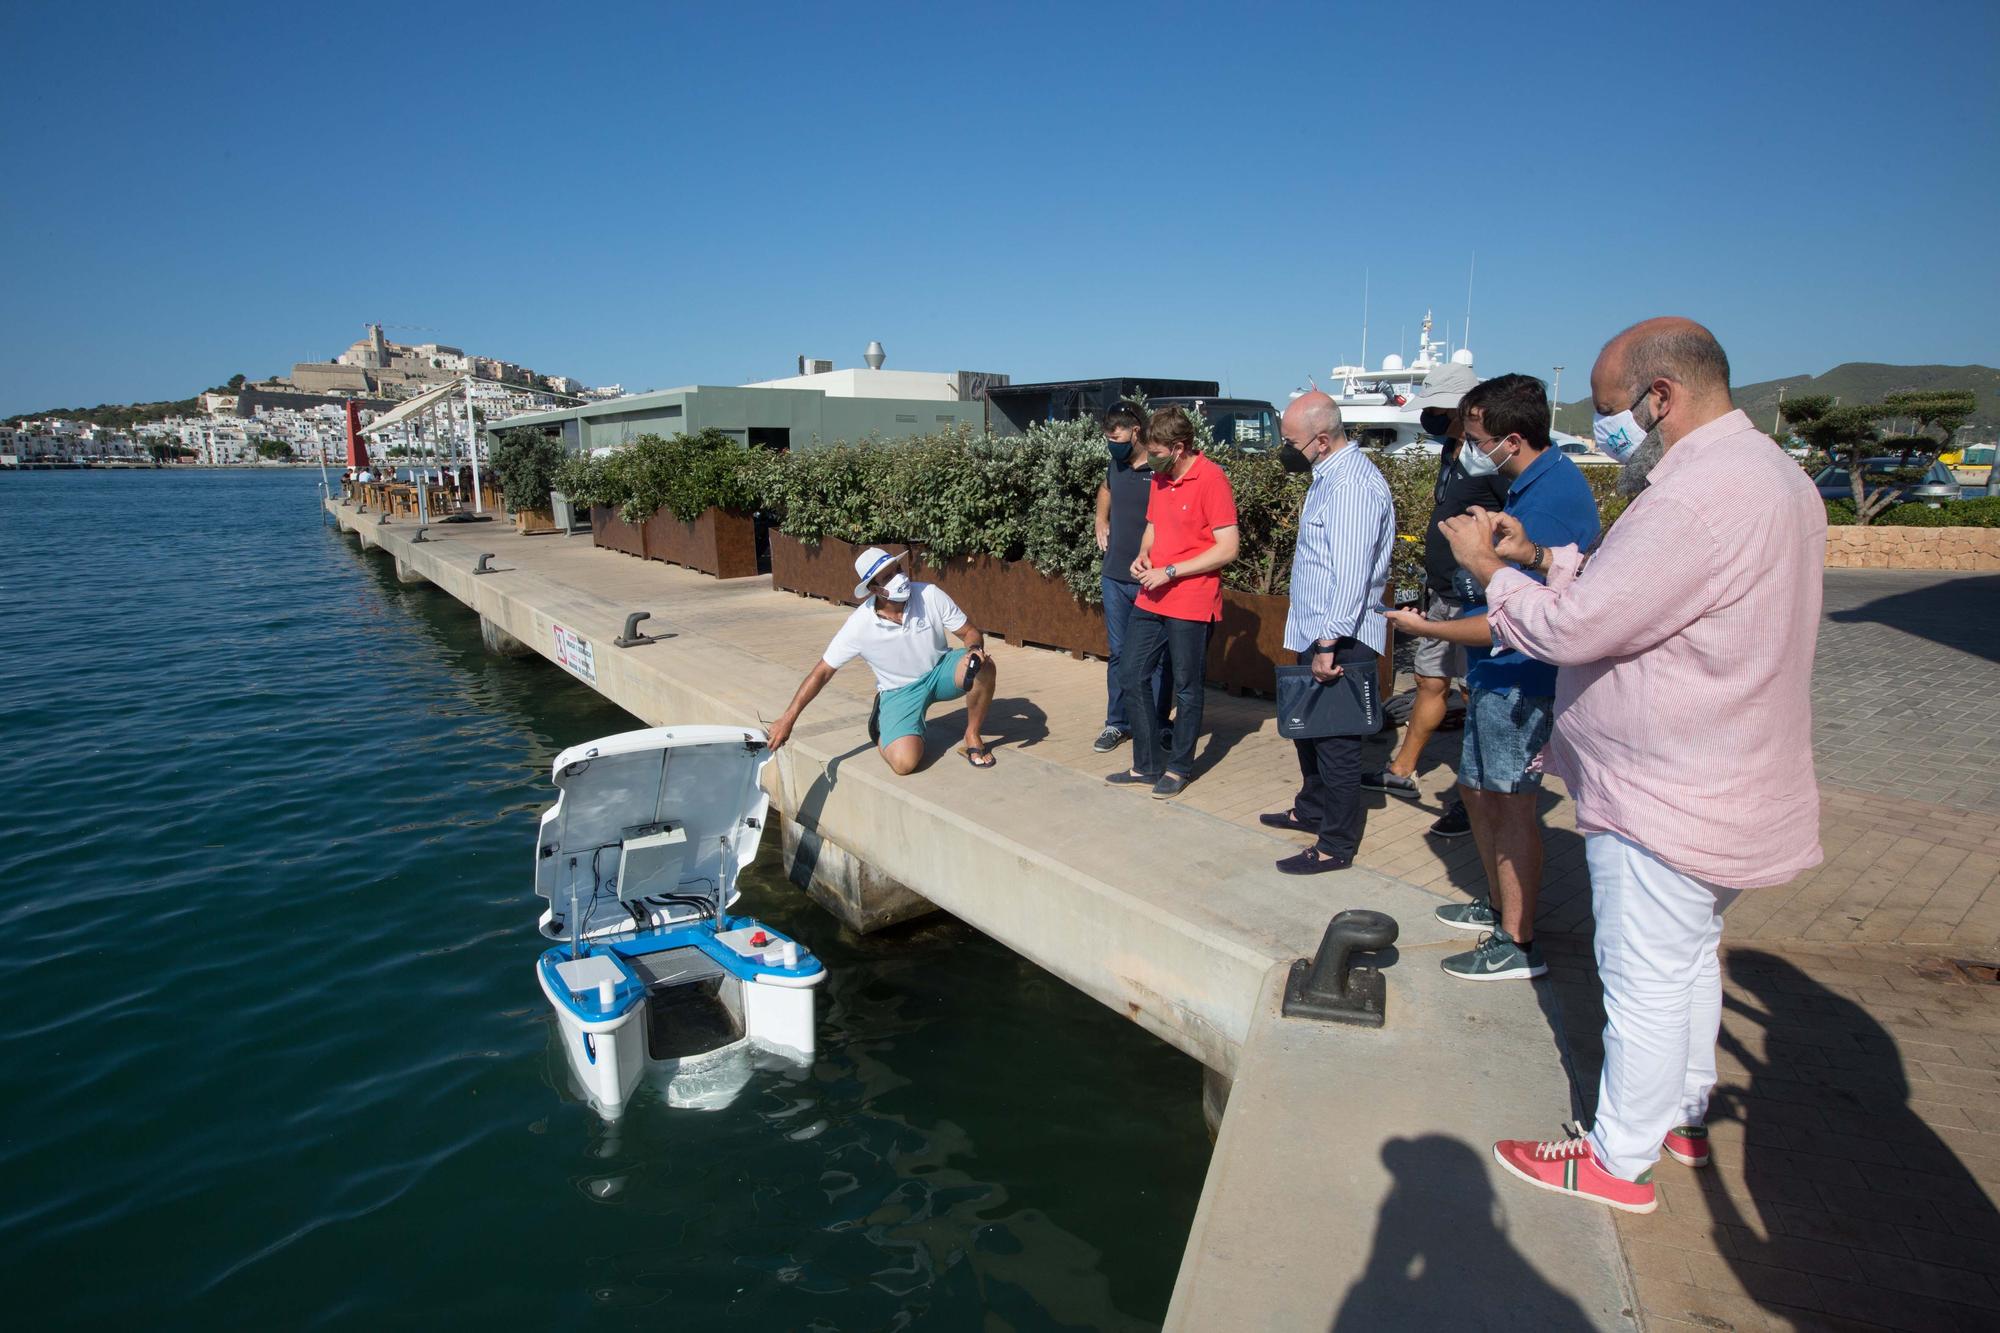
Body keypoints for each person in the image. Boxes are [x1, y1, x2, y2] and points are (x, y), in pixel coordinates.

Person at [1447, 318, 1825, 1215]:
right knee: (1689, 960)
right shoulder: (1775, 477)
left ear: (1661, 397)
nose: (1608, 426)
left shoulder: (1696, 495)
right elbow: (1639, 591)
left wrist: (1492, 576)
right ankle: (1681, 1116)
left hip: (1668, 788)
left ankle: (1617, 1157)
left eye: (1612, 409)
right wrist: (1537, 556)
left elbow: (1580, 627)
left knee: (1644, 974)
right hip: (1723, 779)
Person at [1386, 373, 1598, 981]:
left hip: (1520, 679)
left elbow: (1522, 620)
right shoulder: (1527, 487)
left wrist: (1427, 630)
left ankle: (1518, 940)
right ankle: (1502, 906)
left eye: (1474, 435)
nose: (1468, 447)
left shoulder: (1552, 496)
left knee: (1509, 804)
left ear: (1510, 436)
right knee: (1480, 793)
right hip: (1496, 676)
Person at [1361, 363, 1500, 848]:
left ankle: (1474, 793)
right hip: (1441, 590)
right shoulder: (1452, 448)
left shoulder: (1491, 458)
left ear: (1465, 406)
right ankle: (1402, 767)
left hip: (1476, 597)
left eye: (1439, 409)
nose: (1432, 418)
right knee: (1428, 679)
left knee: (1478, 691)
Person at [1258, 391, 1395, 874]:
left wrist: (1328, 643)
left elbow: (1352, 573)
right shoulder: (1328, 477)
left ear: (1320, 439)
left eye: (1291, 441)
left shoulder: (1352, 486)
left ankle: (1335, 844)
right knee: (1309, 733)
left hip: (1340, 638)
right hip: (1317, 631)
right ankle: (1311, 809)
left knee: (1336, 745)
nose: (1286, 448)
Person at [766, 546, 997, 774]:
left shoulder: (929, 594)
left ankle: (972, 735)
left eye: (898, 569)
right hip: (900, 691)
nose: (900, 578)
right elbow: (822, 672)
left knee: (983, 666)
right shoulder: (859, 625)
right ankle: (884, 726)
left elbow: (969, 632)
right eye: (888, 577)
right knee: (905, 764)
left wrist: (974, 649)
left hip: (940, 670)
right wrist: (788, 719)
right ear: (874, 589)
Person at [1105, 407, 1239, 799]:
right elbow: (1153, 527)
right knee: (1131, 673)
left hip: (1191, 600)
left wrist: (1173, 571)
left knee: (1186, 687)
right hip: (1153, 594)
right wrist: (1144, 555)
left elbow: (1228, 548)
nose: (1151, 459)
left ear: (1179, 448)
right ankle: (1145, 764)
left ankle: (1179, 768)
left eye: (1158, 452)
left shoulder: (1211, 479)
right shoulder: (1160, 479)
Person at [1092, 405, 1173, 755]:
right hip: (1114, 577)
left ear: (1136, 431)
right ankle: (1117, 723)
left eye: (1117, 438)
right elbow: (1105, 489)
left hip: (1150, 578)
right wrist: (1100, 519)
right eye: (1108, 438)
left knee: (1155, 657)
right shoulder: (1116, 465)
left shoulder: (1159, 469)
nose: (1112, 444)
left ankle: (1156, 724)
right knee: (1119, 654)